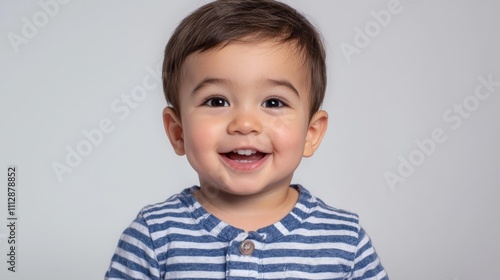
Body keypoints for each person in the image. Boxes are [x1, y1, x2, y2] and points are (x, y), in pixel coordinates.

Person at [105, 0, 388, 279]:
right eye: (216, 101)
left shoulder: (345, 243)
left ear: (310, 134)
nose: (245, 124)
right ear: (178, 132)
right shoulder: (154, 237)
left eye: (274, 103)